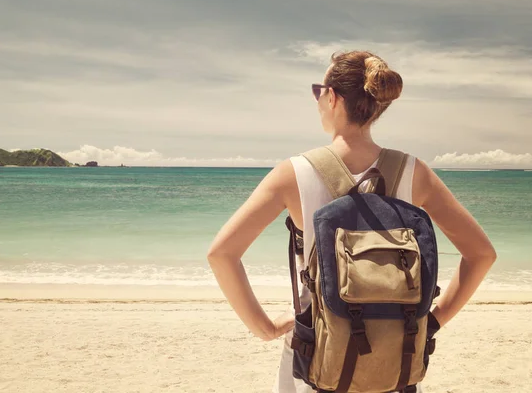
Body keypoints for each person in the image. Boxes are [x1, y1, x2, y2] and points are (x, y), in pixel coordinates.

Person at [207, 50, 496, 393]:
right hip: (395, 363)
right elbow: (481, 254)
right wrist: (433, 321)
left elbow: (221, 254)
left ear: (332, 97)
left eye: (319, 91)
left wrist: (265, 328)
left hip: (317, 360)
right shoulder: (413, 172)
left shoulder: (294, 173)